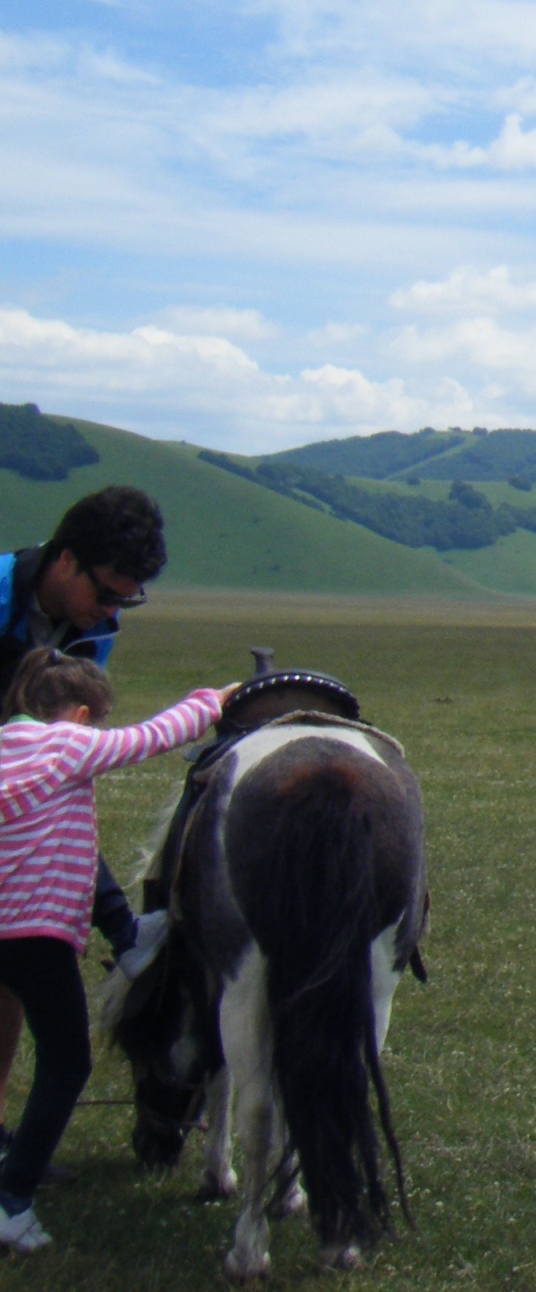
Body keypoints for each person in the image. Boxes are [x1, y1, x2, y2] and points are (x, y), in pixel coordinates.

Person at [0, 651, 228, 1254]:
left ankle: (129, 937)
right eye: (95, 722)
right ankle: (12, 1201)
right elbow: (151, 737)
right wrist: (214, 701)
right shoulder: (68, 747)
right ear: (78, 715)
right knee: (66, 1063)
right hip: (35, 937)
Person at [0, 488, 167, 1152]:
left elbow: (70, 746)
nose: (109, 611)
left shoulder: (95, 628)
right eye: (105, 593)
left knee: (12, 970)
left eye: (124, 601)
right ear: (64, 560)